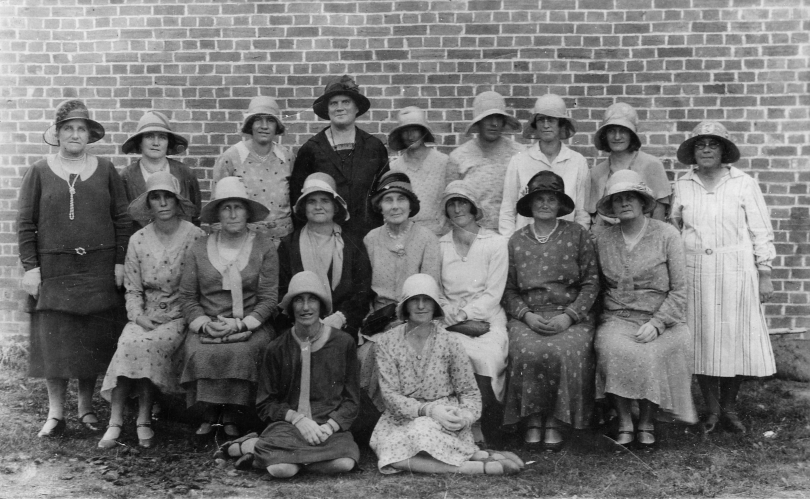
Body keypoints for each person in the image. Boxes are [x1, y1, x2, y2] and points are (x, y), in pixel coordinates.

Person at [17, 99, 131, 437]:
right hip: (55, 268)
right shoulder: (39, 171)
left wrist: (120, 262)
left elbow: (123, 219)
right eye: (69, 128)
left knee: (90, 339)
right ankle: (55, 413)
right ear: (58, 133)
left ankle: (85, 407)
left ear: (90, 134)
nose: (75, 134)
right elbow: (25, 223)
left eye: (81, 128)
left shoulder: (107, 169)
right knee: (56, 339)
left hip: (97, 266)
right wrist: (31, 268)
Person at [671, 121, 777, 434]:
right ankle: (711, 410)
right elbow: (675, 228)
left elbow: (761, 230)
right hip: (697, 272)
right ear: (693, 151)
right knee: (703, 339)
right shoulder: (684, 184)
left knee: (733, 339)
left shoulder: (743, 183)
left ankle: (730, 407)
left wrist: (765, 273)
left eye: (713, 144)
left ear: (722, 151)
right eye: (700, 144)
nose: (706, 149)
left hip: (735, 270)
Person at [370, 274, 524, 475]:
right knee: (392, 450)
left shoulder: (450, 342)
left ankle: (476, 457)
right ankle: (474, 466)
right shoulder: (386, 342)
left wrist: (466, 417)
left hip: (444, 418)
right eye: (414, 300)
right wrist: (428, 410)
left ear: (436, 306)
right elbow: (390, 396)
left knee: (419, 435)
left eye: (427, 300)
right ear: (405, 306)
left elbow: (469, 391)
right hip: (401, 418)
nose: (421, 306)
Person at [215, 271, 361, 478]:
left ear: (321, 305)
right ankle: (253, 447)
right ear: (291, 306)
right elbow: (265, 404)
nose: (306, 307)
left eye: (312, 300)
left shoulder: (343, 343)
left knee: (345, 463)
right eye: (299, 300)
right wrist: (298, 420)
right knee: (280, 470)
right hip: (288, 426)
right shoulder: (276, 348)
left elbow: (351, 401)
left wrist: (329, 427)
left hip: (326, 428)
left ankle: (260, 452)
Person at [98, 171, 205, 449]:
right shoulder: (138, 239)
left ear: (177, 201)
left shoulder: (196, 237)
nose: (163, 203)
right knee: (128, 341)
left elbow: (201, 286)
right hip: (145, 313)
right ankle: (116, 421)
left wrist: (184, 314)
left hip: (180, 315)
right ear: (149, 204)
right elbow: (133, 289)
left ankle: (144, 419)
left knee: (148, 345)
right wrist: (138, 316)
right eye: (155, 198)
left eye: (167, 196)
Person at [594, 170, 697, 449]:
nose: (624, 203)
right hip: (618, 317)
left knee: (657, 350)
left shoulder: (667, 235)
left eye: (631, 197)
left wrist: (658, 323)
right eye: (617, 200)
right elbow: (598, 287)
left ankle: (648, 420)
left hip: (662, 317)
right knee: (613, 348)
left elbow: (679, 289)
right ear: (611, 207)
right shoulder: (603, 239)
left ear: (642, 202)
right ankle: (626, 420)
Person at [502, 170, 599, 452]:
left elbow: (592, 282)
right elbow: (508, 290)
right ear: (529, 205)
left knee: (562, 350)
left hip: (571, 316)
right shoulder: (516, 240)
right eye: (538, 199)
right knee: (526, 350)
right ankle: (532, 420)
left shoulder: (578, 235)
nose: (544, 204)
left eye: (551, 199)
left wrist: (568, 316)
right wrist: (527, 316)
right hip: (529, 315)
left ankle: (556, 421)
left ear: (560, 205)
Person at [178, 177, 279, 438]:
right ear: (218, 214)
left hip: (249, 324)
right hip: (208, 323)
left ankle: (234, 413)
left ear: (247, 212)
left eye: (238, 207)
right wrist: (205, 323)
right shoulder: (198, 248)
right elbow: (188, 296)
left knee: (243, 351)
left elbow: (269, 298)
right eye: (226, 208)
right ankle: (209, 411)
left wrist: (240, 323)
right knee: (198, 350)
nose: (233, 214)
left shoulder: (264, 246)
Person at [357, 171, 441, 425]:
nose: (395, 206)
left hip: (417, 317)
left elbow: (430, 289)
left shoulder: (427, 238)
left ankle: (411, 420)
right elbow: (364, 290)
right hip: (379, 321)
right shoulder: (371, 239)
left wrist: (406, 320)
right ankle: (378, 422)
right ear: (379, 206)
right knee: (366, 356)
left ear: (411, 204)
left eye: (401, 199)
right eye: (388, 200)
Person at [437, 181, 509, 447]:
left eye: (463, 202)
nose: (457, 209)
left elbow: (494, 294)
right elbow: (438, 292)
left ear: (474, 206)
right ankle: (453, 425)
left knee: (486, 357)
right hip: (449, 321)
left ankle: (477, 423)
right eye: (452, 204)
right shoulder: (440, 245)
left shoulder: (495, 243)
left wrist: (466, 314)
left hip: (487, 320)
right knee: (449, 354)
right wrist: (451, 314)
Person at [291, 75, 389, 237]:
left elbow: (384, 193)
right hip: (325, 235)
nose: (340, 108)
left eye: (346, 102)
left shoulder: (374, 147)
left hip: (368, 235)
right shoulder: (311, 149)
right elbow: (297, 199)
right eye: (333, 103)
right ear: (327, 109)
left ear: (356, 108)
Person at [277, 173, 372, 338]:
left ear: (335, 206)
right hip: (299, 326)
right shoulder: (289, 245)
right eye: (311, 201)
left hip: (343, 326)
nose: (318, 206)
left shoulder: (352, 243)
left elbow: (362, 291)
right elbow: (281, 291)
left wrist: (340, 318)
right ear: (303, 207)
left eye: (325, 201)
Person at [499, 94, 590, 236]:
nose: (546, 125)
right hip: (526, 245)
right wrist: (510, 246)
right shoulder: (519, 161)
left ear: (561, 124)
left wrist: (576, 243)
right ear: (535, 124)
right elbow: (507, 211)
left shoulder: (577, 161)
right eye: (541, 120)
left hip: (565, 245)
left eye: (551, 120)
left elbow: (581, 212)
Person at [213, 96, 295, 245]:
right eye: (258, 120)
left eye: (270, 120)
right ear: (250, 124)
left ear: (277, 126)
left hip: (284, 241)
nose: (264, 126)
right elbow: (218, 207)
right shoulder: (231, 157)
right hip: (245, 242)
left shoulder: (287, 157)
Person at [587, 102, 671, 236]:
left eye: (623, 131)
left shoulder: (652, 165)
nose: (617, 137)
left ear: (632, 134)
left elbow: (658, 216)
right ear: (605, 135)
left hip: (643, 238)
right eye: (611, 131)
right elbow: (592, 217)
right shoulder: (596, 172)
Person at [447, 91, 524, 233]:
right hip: (471, 236)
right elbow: (450, 203)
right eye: (488, 118)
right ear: (478, 122)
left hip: (508, 235)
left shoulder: (519, 154)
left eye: (498, 118)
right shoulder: (458, 157)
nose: (494, 124)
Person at [120, 110, 202, 231]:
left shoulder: (185, 174)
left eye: (162, 137)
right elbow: (122, 221)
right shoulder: (126, 177)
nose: (156, 143)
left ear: (169, 143)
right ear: (140, 142)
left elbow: (195, 215)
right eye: (149, 136)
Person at [388, 106, 451, 236]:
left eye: (415, 130)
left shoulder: (443, 162)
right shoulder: (394, 168)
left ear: (423, 132)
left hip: (440, 236)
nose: (411, 136)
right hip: (407, 236)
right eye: (405, 131)